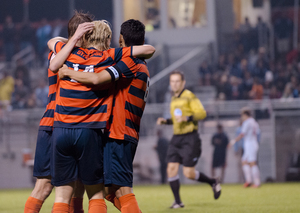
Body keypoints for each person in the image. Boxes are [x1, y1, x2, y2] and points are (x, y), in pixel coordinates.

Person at [47, 19, 154, 212]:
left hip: (118, 134)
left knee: (119, 191)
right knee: (108, 190)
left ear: (121, 38)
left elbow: (97, 78)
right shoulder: (137, 62)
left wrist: (69, 72)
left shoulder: (130, 62)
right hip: (121, 132)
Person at [24, 11, 94, 213]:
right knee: (50, 187)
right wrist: (76, 38)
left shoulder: (60, 49)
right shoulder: (78, 56)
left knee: (73, 187)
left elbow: (54, 41)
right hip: (57, 124)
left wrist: (73, 39)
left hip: (66, 126)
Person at [156, 71, 221, 209]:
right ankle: (178, 202)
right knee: (171, 168)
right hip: (176, 138)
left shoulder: (189, 96)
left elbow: (202, 113)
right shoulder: (173, 98)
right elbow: (176, 119)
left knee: (188, 173)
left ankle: (213, 182)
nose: (174, 84)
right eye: (172, 81)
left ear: (183, 83)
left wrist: (187, 118)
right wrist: (166, 121)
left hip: (190, 138)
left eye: (177, 81)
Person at [230, 107, 261, 188]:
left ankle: (257, 182)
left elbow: (242, 134)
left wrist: (233, 141)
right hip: (252, 143)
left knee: (252, 162)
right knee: (244, 161)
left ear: (245, 114)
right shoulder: (254, 122)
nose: (241, 117)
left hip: (250, 144)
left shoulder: (247, 122)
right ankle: (249, 181)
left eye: (242, 115)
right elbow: (258, 133)